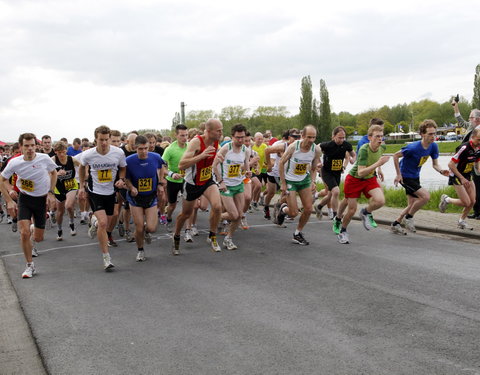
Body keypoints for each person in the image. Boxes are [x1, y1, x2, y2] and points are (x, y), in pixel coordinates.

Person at [0, 133, 58, 278]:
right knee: (24, 232)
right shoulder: (15, 162)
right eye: (26, 146)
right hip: (25, 199)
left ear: (36, 146)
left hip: (41, 200)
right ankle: (29, 265)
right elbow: (2, 180)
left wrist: (51, 193)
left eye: (32, 145)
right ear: (21, 147)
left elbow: (54, 172)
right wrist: (9, 198)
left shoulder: (44, 159)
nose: (30, 149)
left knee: (38, 238)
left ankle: (34, 230)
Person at [171, 119, 224, 254]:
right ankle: (176, 235)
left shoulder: (217, 140)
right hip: (192, 184)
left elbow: (214, 157)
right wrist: (201, 155)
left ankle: (212, 235)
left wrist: (218, 158)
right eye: (218, 130)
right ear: (208, 131)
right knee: (185, 214)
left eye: (221, 130)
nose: (221, 133)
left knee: (217, 206)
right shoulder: (196, 142)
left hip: (207, 181)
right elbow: (181, 165)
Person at [78, 125, 127, 270]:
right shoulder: (88, 154)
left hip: (111, 191)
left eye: (106, 140)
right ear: (95, 140)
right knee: (104, 223)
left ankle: (95, 223)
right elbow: (81, 167)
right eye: (101, 140)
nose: (104, 143)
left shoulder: (118, 153)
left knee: (110, 219)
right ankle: (106, 258)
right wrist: (81, 186)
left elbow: (123, 167)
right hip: (95, 191)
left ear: (110, 139)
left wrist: (122, 179)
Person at [333, 125, 390, 244]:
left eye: (381, 136)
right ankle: (342, 230)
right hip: (355, 179)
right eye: (377, 136)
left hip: (369, 178)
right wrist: (378, 163)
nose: (380, 139)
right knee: (352, 209)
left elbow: (377, 158)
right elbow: (360, 172)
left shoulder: (382, 146)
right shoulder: (364, 149)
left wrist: (379, 168)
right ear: (370, 137)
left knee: (380, 200)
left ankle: (366, 212)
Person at [390, 120, 449, 234]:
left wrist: (441, 171)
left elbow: (435, 164)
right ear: (422, 134)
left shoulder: (433, 147)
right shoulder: (413, 147)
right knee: (425, 196)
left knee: (412, 204)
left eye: (434, 133)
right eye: (430, 134)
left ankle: (396, 223)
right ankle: (408, 218)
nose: (433, 136)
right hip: (405, 176)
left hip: (415, 176)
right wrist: (398, 174)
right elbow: (396, 155)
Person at [276, 125, 322, 245]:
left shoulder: (316, 150)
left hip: (304, 180)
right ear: (302, 136)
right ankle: (283, 209)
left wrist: (312, 181)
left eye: (314, 137)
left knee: (308, 209)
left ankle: (297, 233)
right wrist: (283, 183)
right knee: (293, 213)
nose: (311, 140)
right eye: (309, 137)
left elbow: (313, 168)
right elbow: (281, 163)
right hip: (290, 181)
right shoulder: (293, 147)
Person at [125, 135, 165, 262]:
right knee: (139, 227)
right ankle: (140, 250)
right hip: (135, 198)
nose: (144, 151)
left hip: (151, 196)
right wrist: (131, 187)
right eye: (140, 149)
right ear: (135, 148)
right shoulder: (129, 161)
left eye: (146, 148)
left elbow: (161, 168)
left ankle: (146, 233)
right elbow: (126, 178)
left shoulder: (156, 157)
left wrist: (159, 184)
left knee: (152, 228)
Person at [213, 124, 251, 250]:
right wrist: (220, 181)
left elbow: (245, 165)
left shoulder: (246, 150)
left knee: (239, 215)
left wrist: (248, 172)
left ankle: (228, 238)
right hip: (226, 186)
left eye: (242, 137)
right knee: (234, 215)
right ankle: (216, 216)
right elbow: (214, 165)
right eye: (238, 137)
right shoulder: (225, 148)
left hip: (238, 183)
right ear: (233, 137)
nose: (240, 140)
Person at [438, 127, 480, 229]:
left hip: (467, 175)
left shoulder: (478, 149)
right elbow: (450, 164)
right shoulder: (464, 148)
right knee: (466, 202)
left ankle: (461, 221)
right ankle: (446, 199)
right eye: (479, 139)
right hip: (456, 175)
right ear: (473, 137)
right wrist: (461, 178)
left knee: (473, 201)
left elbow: (477, 162)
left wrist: (478, 171)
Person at [316, 126, 355, 221]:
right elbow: (316, 148)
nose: (342, 140)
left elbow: (353, 154)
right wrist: (318, 161)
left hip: (337, 172)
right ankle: (335, 215)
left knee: (330, 194)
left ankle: (319, 207)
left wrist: (353, 159)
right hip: (326, 172)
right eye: (339, 138)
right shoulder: (327, 145)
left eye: (343, 138)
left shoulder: (346, 145)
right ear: (333, 136)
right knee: (336, 191)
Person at [452, 100, 480, 218]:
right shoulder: (471, 126)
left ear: (477, 119)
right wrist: (455, 106)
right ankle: (476, 211)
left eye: (470, 117)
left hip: (476, 158)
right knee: (474, 185)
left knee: (478, 184)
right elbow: (460, 121)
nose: (468, 120)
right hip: (467, 158)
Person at [264, 129, 299, 221]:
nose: (297, 139)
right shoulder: (280, 145)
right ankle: (266, 207)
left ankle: (280, 209)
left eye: (298, 137)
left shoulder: (299, 146)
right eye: (294, 137)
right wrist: (269, 165)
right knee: (271, 193)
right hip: (274, 172)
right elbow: (267, 151)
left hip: (286, 174)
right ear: (288, 137)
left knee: (286, 193)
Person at [51, 141, 81, 240]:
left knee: (68, 206)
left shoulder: (71, 159)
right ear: (56, 152)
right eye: (59, 152)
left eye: (64, 152)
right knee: (60, 211)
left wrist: (83, 176)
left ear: (66, 151)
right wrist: (57, 174)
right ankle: (59, 230)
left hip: (71, 184)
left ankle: (71, 223)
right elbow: (46, 174)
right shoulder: (52, 160)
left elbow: (82, 166)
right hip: (59, 187)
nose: (62, 154)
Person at [162, 124, 188, 232]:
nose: (185, 138)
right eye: (182, 135)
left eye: (186, 135)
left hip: (187, 180)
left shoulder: (191, 146)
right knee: (172, 205)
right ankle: (168, 218)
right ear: (176, 135)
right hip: (173, 180)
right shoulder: (170, 149)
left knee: (189, 204)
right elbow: (162, 167)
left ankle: (188, 227)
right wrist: (171, 174)